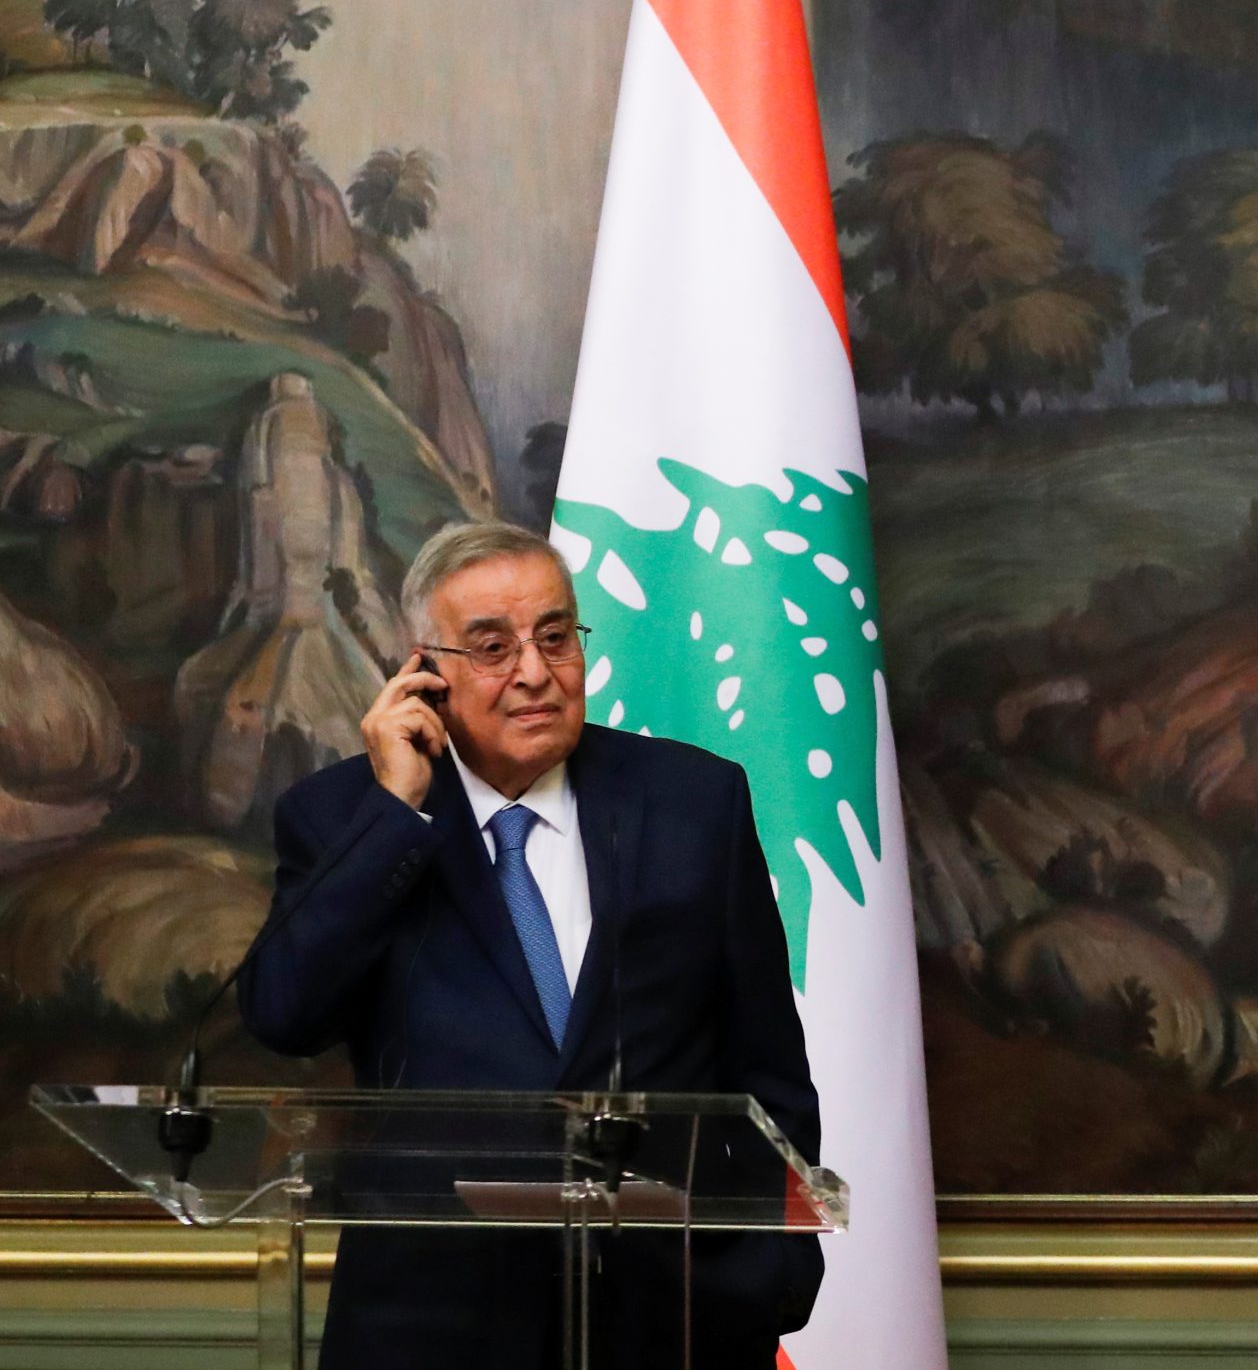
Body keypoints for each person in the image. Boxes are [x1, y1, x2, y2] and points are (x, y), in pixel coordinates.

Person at [238, 521, 823, 1370]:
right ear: (424, 671)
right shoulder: (344, 817)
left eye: (555, 637)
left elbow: (769, 1069)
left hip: (669, 1311)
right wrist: (395, 813)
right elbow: (283, 1014)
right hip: (432, 1319)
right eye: (492, 648)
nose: (535, 672)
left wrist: (774, 1273)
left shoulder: (695, 802)